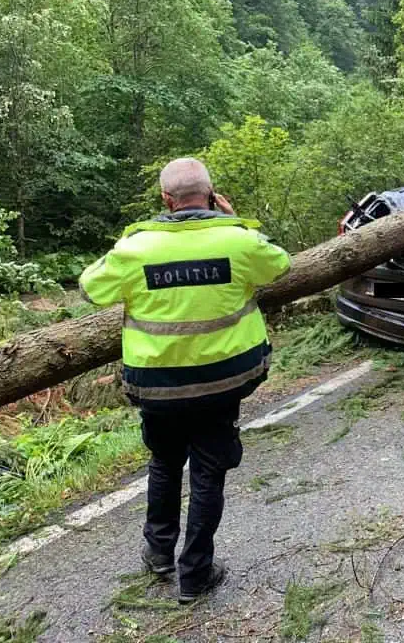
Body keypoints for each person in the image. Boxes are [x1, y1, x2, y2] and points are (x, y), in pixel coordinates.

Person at [79, 158, 291, 603]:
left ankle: (158, 555)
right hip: (222, 383)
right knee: (209, 473)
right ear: (211, 195)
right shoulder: (237, 240)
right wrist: (233, 222)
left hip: (157, 387)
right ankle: (194, 576)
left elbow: (90, 287)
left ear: (166, 200)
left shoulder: (137, 248)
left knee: (164, 462)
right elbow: (280, 264)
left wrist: (129, 245)